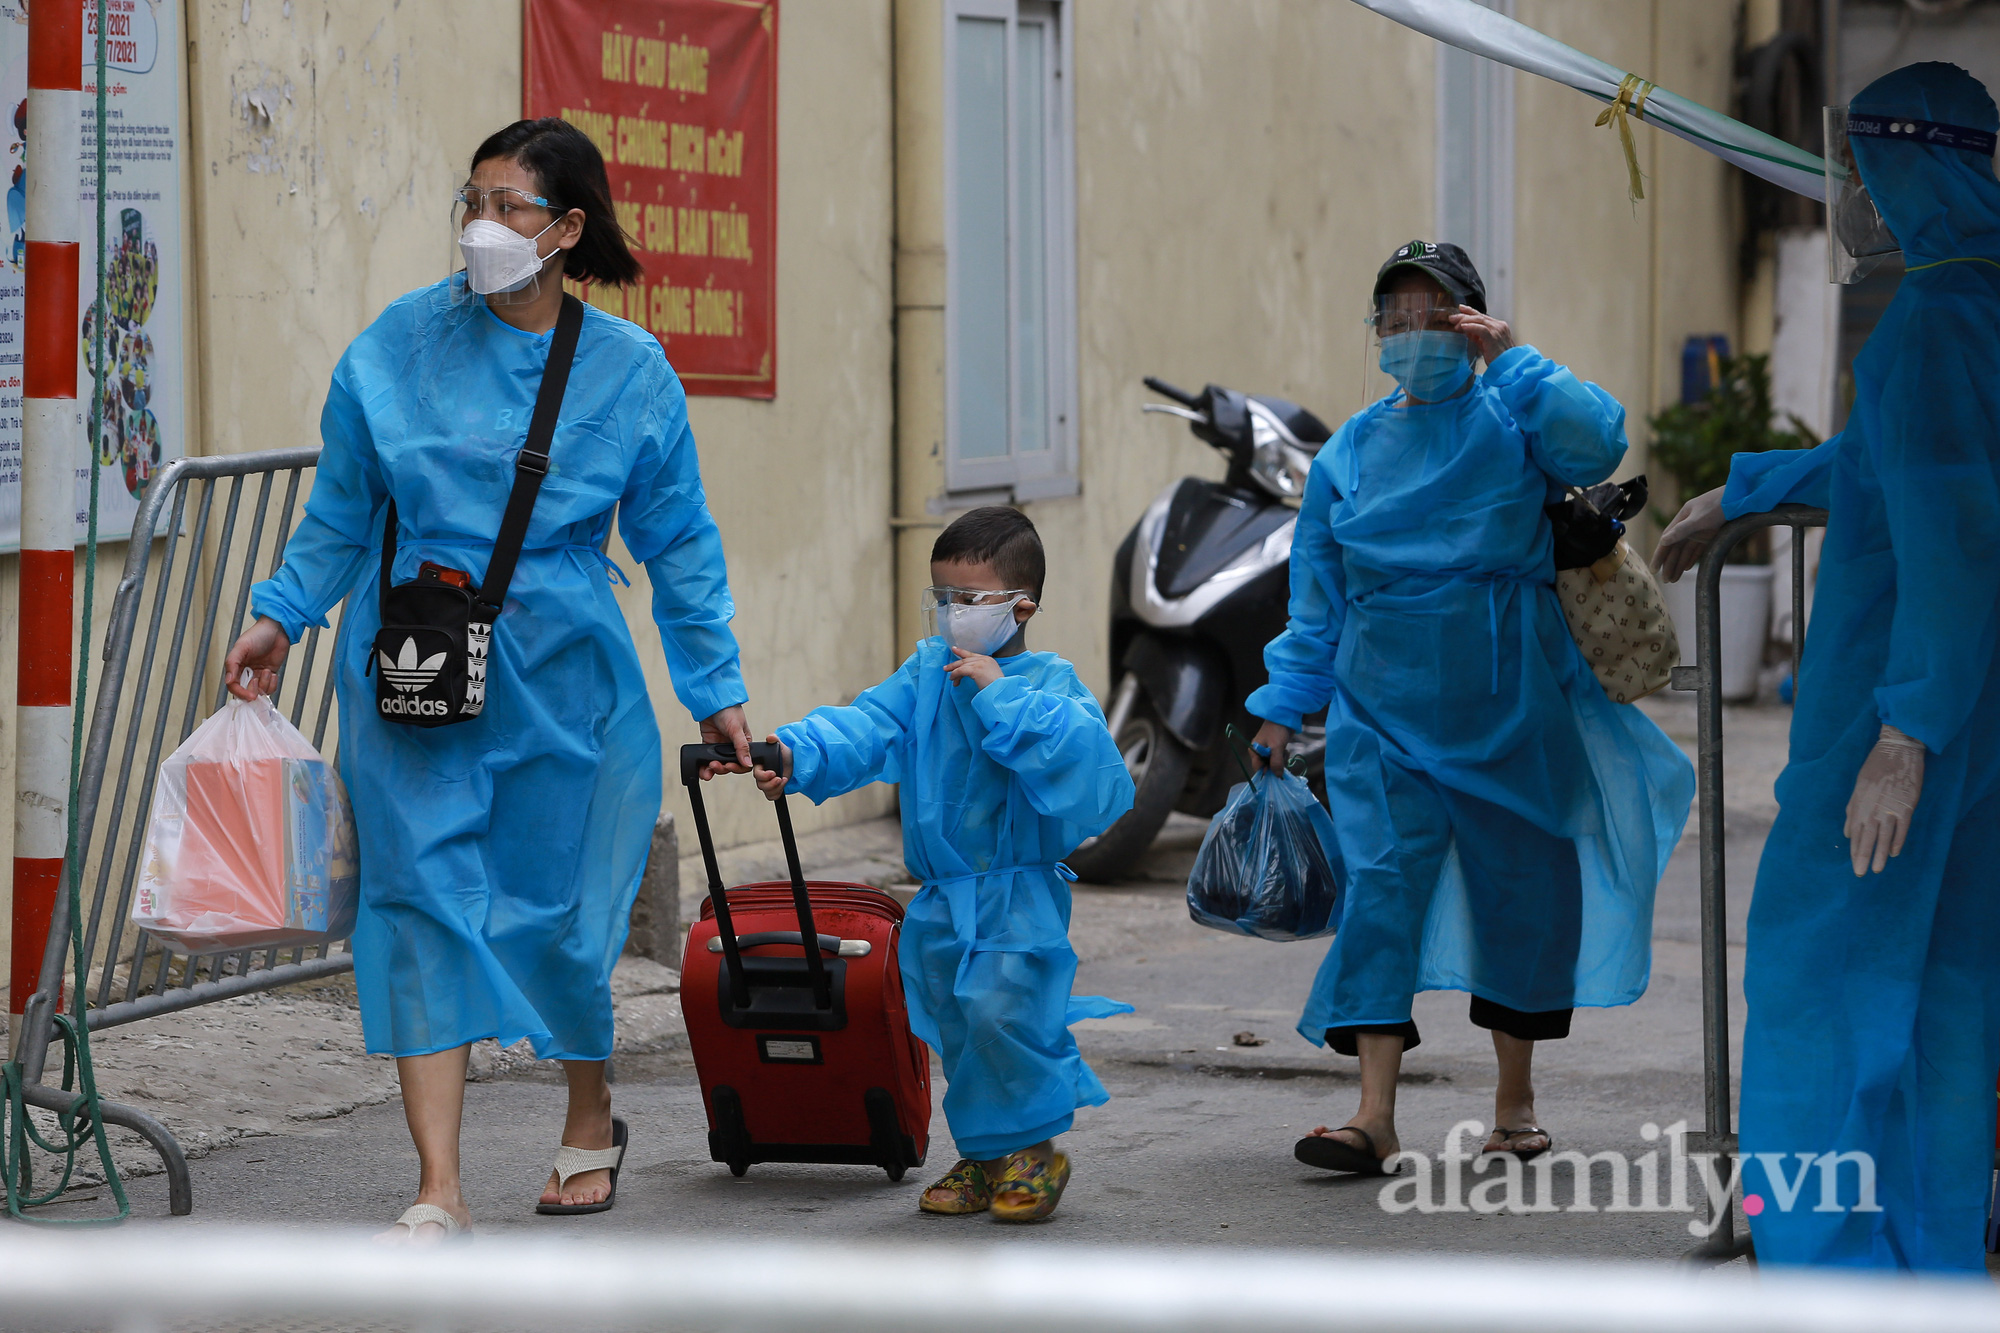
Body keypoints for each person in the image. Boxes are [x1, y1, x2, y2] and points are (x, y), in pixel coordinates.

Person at [223, 118, 754, 1241]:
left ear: (566, 230)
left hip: (564, 678)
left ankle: (588, 1108)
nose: (482, 226)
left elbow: (679, 541)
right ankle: (438, 1186)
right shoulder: (394, 348)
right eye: (472, 200)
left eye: (510, 207)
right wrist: (281, 614)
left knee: (556, 918)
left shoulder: (629, 372)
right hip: (415, 664)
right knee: (415, 905)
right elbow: (341, 510)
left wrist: (714, 685)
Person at [1247, 241, 1695, 1175]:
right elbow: (1317, 600)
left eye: (1435, 314)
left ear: (1472, 322)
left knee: (1519, 893)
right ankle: (1373, 1115)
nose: (1414, 333)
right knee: (1381, 890)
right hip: (1381, 712)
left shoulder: (1517, 415)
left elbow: (1599, 440)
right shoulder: (1351, 452)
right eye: (1396, 316)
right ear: (1375, 333)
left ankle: (1515, 1103)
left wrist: (1517, 358)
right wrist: (1283, 710)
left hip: (1513, 704)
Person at [1655, 63, 2000, 1271]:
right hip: (1975, 726)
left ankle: (1830, 1259)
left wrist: (1899, 737)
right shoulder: (1979, 309)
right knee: (1945, 995)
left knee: (1824, 981)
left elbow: (1953, 536)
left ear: (1905, 164)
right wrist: (1745, 486)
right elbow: (1888, 466)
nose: (1843, 190)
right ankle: (1928, 1257)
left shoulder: (1931, 325)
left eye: (1850, 165)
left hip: (1896, 719)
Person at [749, 507, 1135, 1222]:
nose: (952, 614)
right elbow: (867, 724)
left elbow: (1088, 766)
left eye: (969, 599)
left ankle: (1035, 1154)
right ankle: (986, 1156)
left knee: (1006, 1015)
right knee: (958, 1026)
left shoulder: (1048, 683)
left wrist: (1001, 691)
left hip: (1016, 894)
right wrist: (798, 753)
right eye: (943, 597)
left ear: (1021, 607)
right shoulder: (926, 673)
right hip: (941, 897)